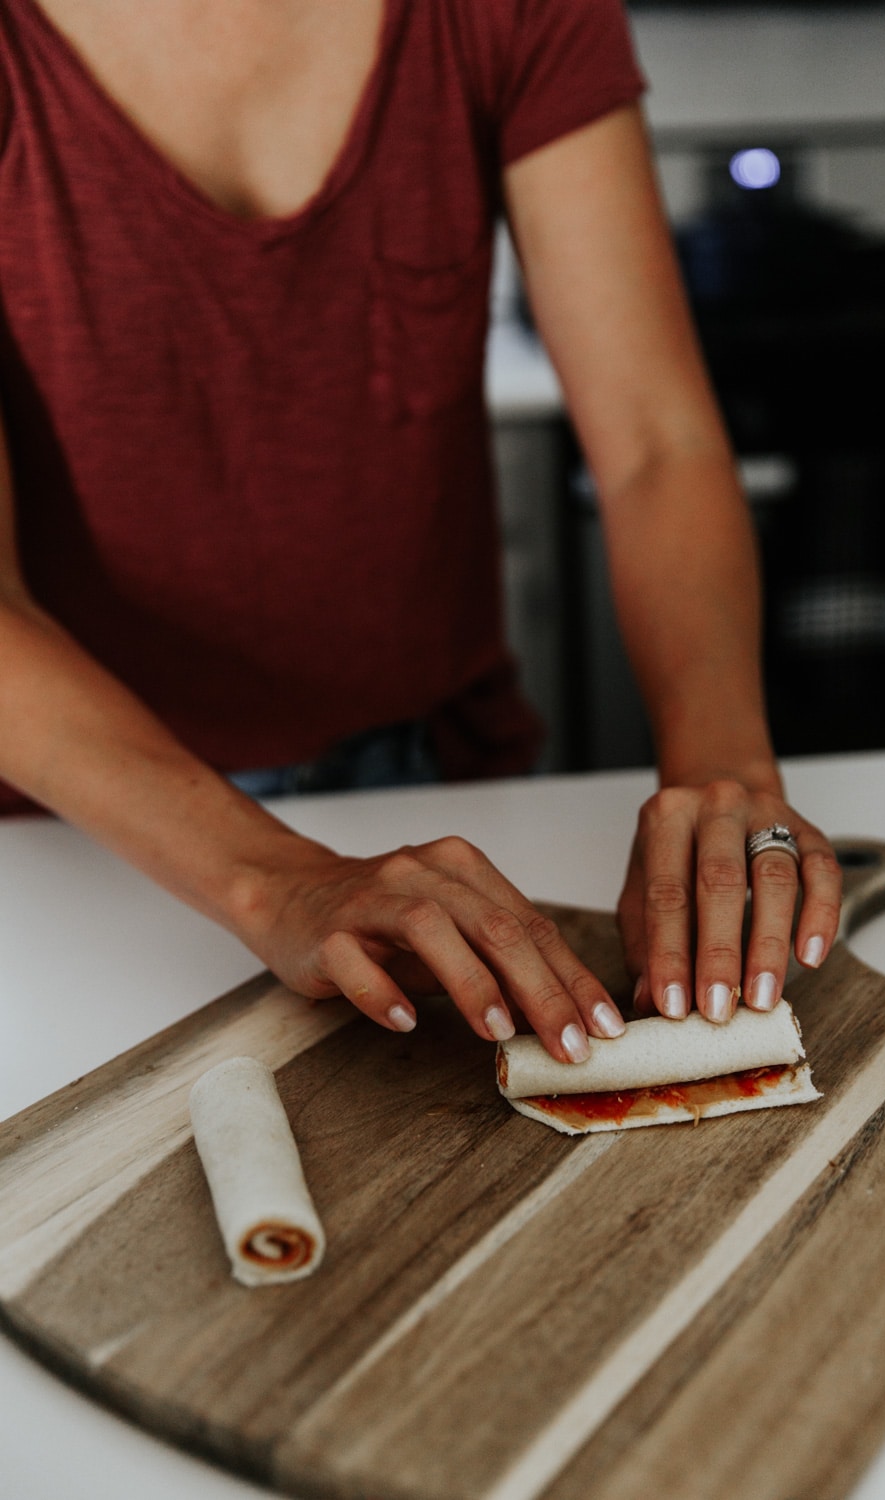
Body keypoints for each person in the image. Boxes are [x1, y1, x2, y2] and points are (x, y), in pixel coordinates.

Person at [0, 0, 842, 1065]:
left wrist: (725, 771)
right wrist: (277, 878)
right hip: (72, 847)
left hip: (445, 782)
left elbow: (655, 446)